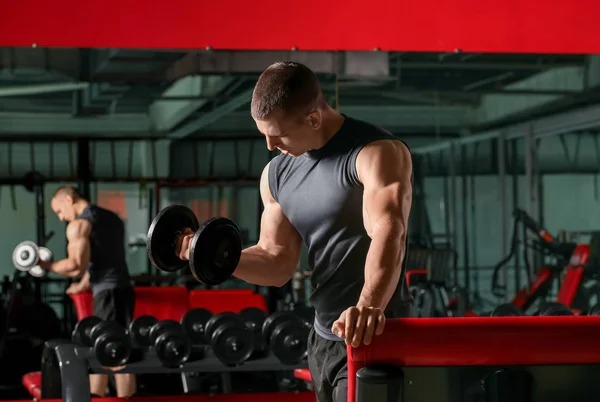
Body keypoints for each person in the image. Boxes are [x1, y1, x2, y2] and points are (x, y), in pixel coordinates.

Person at [176, 61, 413, 402]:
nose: (270, 145)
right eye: (264, 134)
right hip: (321, 338)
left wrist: (368, 305)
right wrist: (213, 256)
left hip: (377, 332)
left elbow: (389, 229)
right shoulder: (276, 175)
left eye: (278, 134)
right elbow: (276, 262)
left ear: (313, 118)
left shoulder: (374, 153)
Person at [40, 185, 136, 398]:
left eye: (59, 211)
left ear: (69, 199)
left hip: (106, 295)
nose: (61, 218)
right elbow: (104, 259)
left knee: (107, 351)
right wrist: (83, 285)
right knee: (119, 347)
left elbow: (76, 266)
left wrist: (45, 265)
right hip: (124, 289)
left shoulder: (80, 224)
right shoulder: (111, 218)